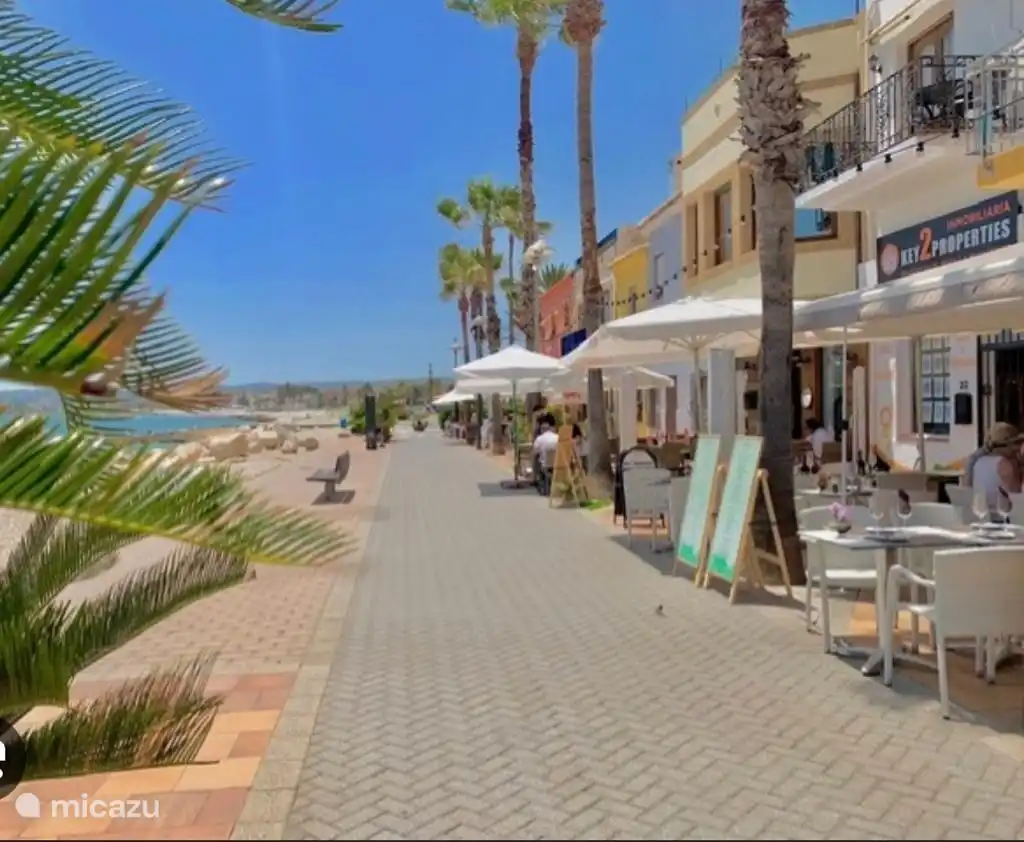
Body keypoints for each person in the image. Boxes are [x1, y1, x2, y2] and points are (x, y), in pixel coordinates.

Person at [966, 422, 1023, 509]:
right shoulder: (1005, 466)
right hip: (1002, 519)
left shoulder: (979, 462)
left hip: (983, 517)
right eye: (1017, 443)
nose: (1019, 448)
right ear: (1009, 444)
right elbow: (1018, 501)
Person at [533, 422, 559, 495]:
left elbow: (535, 452)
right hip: (558, 463)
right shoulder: (557, 437)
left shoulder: (539, 439)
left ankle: (538, 480)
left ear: (542, 430)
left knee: (538, 460)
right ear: (550, 429)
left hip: (546, 465)